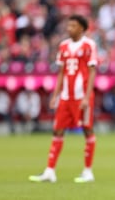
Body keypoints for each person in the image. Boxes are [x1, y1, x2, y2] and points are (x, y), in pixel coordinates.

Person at [29, 15, 97, 183]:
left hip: (82, 96)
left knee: (87, 131)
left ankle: (88, 171)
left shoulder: (89, 45)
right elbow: (61, 73)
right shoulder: (63, 46)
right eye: (68, 25)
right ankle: (50, 170)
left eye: (73, 26)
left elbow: (92, 71)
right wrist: (55, 95)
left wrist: (87, 97)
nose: (69, 29)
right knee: (57, 130)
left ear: (82, 28)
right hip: (66, 96)